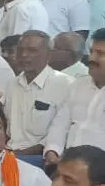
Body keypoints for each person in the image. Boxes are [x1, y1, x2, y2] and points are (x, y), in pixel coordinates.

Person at [44, 27, 105, 164]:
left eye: (100, 53)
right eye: (91, 52)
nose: (91, 58)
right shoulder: (78, 85)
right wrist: (52, 150)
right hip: (65, 163)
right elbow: (60, 124)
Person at [5, 31, 75, 164]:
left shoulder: (65, 85)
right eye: (20, 50)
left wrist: (18, 155)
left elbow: (61, 132)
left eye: (32, 50)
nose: (24, 55)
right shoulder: (12, 84)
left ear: (49, 55)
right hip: (10, 153)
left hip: (40, 158)